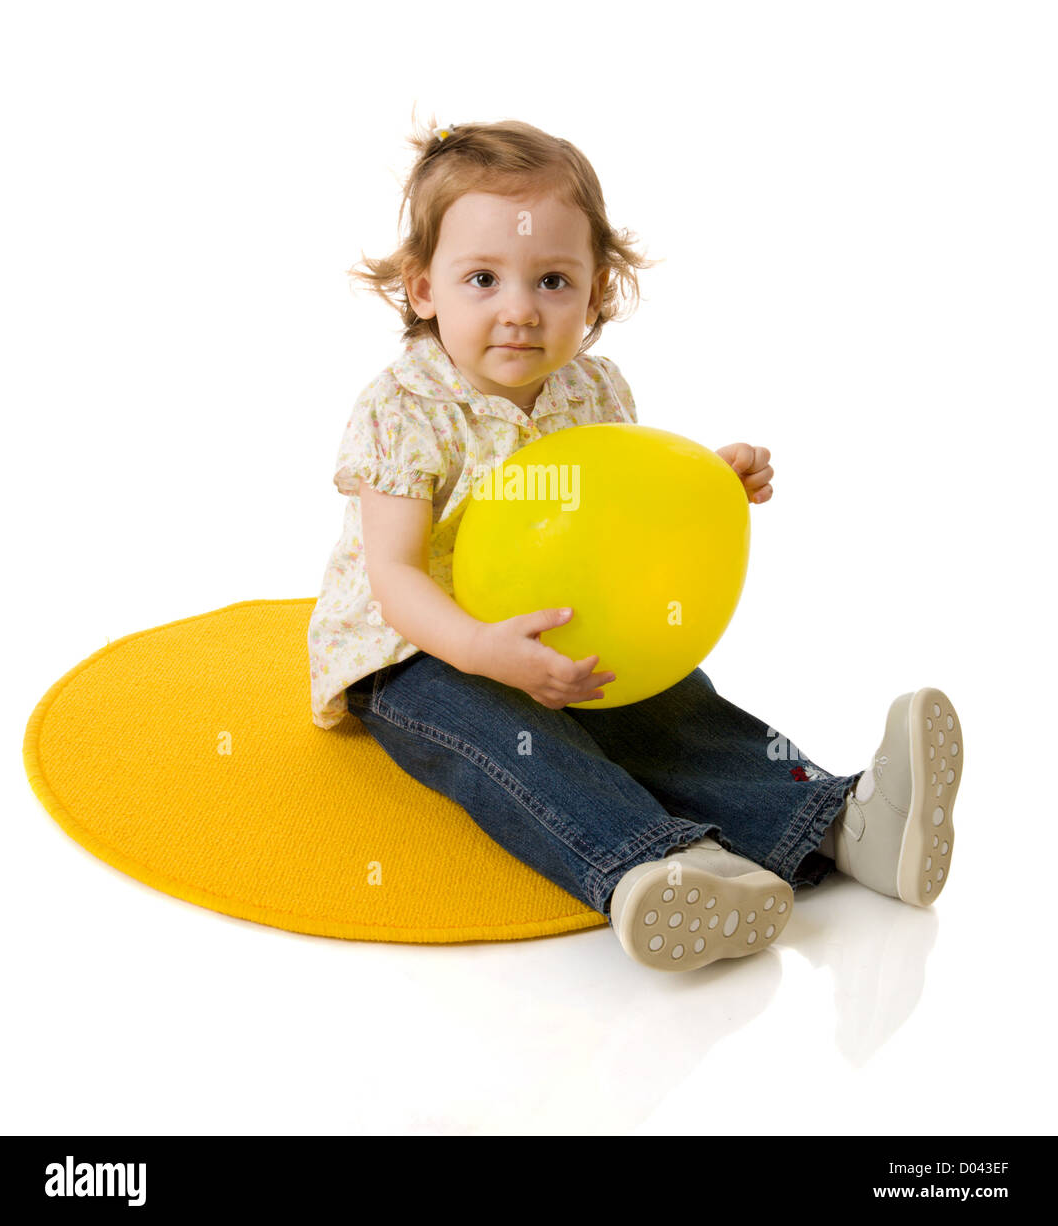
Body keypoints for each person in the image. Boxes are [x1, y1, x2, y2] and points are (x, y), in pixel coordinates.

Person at [307, 115, 963, 972]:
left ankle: (843, 823)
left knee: (669, 706)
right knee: (512, 742)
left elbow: (621, 508)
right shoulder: (403, 406)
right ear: (422, 288)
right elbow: (393, 575)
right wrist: (480, 650)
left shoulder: (593, 385)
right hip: (417, 649)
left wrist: (705, 485)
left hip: (564, 617)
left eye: (551, 280)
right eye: (481, 279)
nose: (518, 311)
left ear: (596, 291)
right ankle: (655, 867)